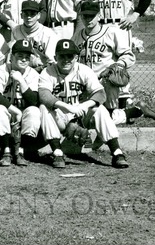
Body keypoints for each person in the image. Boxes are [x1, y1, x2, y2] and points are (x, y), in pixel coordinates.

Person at [38, 38, 130, 169]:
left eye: (70, 56)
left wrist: (83, 106)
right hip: (61, 115)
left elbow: (100, 94)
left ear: (76, 57)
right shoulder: (48, 71)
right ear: (55, 57)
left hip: (81, 113)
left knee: (100, 109)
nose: (66, 60)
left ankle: (117, 152)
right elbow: (44, 95)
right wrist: (67, 107)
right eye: (62, 56)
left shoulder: (84, 70)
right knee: (44, 108)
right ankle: (57, 153)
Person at [75, 0, 155, 123]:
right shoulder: (77, 36)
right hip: (85, 85)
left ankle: (134, 111)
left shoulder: (111, 33)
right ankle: (138, 110)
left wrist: (117, 66)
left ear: (99, 16)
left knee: (101, 120)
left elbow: (128, 55)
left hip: (106, 82)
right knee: (89, 119)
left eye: (91, 16)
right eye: (85, 16)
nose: (88, 19)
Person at [0, 38, 42, 166]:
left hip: (24, 113)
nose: (24, 59)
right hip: (9, 112)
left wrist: (21, 81)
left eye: (27, 57)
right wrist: (15, 110)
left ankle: (20, 151)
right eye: (20, 56)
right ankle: (6, 151)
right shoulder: (1, 70)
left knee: (34, 111)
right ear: (12, 57)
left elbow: (33, 101)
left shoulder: (33, 74)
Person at [8, 0, 57, 69]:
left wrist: (37, 70)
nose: (29, 17)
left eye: (32, 14)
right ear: (21, 15)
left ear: (38, 15)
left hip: (43, 70)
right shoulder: (16, 30)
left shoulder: (48, 34)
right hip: (21, 69)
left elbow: (52, 62)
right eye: (26, 14)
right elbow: (11, 57)